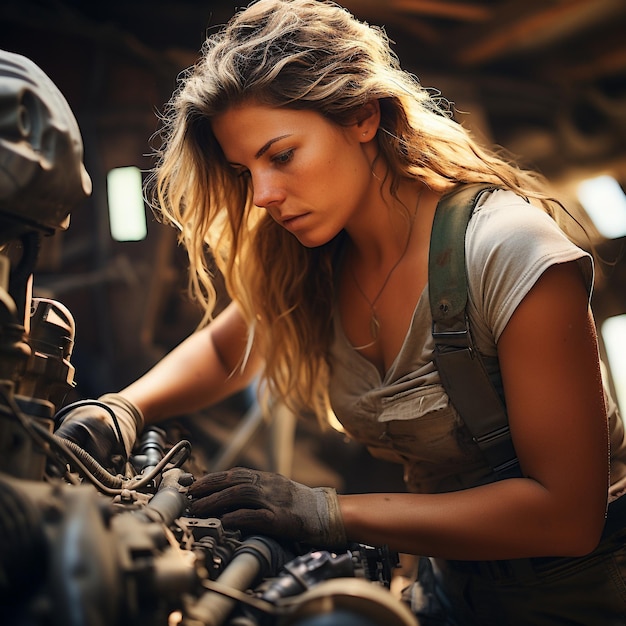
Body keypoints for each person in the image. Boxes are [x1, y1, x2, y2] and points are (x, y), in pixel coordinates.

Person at [54, 0, 626, 623]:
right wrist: (121, 408)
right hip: (446, 588)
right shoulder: (316, 259)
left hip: (584, 595)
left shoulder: (506, 248)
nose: (265, 196)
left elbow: (566, 516)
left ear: (361, 115)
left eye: (281, 155)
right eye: (246, 172)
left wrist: (329, 512)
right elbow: (228, 349)